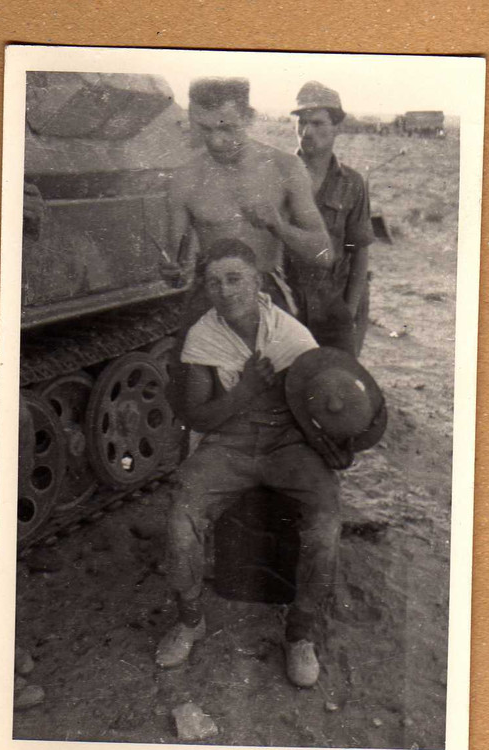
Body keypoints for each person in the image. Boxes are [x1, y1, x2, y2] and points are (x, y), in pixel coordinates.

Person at [155, 238, 344, 689]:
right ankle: (190, 620)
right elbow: (197, 415)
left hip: (287, 445)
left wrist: (334, 437)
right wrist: (243, 394)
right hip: (229, 444)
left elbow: (321, 402)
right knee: (181, 515)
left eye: (235, 278)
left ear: (257, 280)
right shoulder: (204, 335)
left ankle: (299, 634)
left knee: (325, 523)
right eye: (214, 282)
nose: (225, 290)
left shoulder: (290, 335)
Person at [168, 77, 333, 323]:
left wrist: (278, 226)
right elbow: (175, 268)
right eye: (205, 129)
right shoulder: (185, 178)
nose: (215, 141)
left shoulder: (284, 167)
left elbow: (324, 255)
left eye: (226, 128)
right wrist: (173, 272)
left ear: (249, 117)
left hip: (267, 296)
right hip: (210, 298)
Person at [289, 81, 375, 355]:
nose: (306, 131)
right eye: (301, 122)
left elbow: (357, 248)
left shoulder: (352, 183)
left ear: (337, 127)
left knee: (337, 383)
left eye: (317, 123)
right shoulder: (279, 176)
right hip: (287, 308)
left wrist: (348, 309)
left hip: (334, 306)